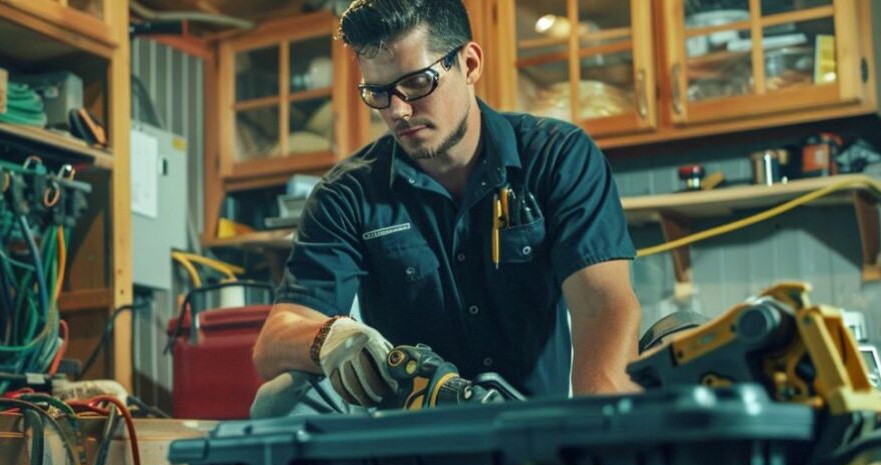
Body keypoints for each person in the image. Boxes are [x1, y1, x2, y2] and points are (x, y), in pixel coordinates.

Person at [250, 0, 641, 418]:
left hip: (534, 435)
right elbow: (272, 342)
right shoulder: (346, 193)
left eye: (417, 83)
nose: (397, 110)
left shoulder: (558, 158)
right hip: (409, 441)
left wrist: (602, 435)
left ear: (469, 64)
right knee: (279, 398)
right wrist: (327, 336)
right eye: (378, 93)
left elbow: (603, 305)